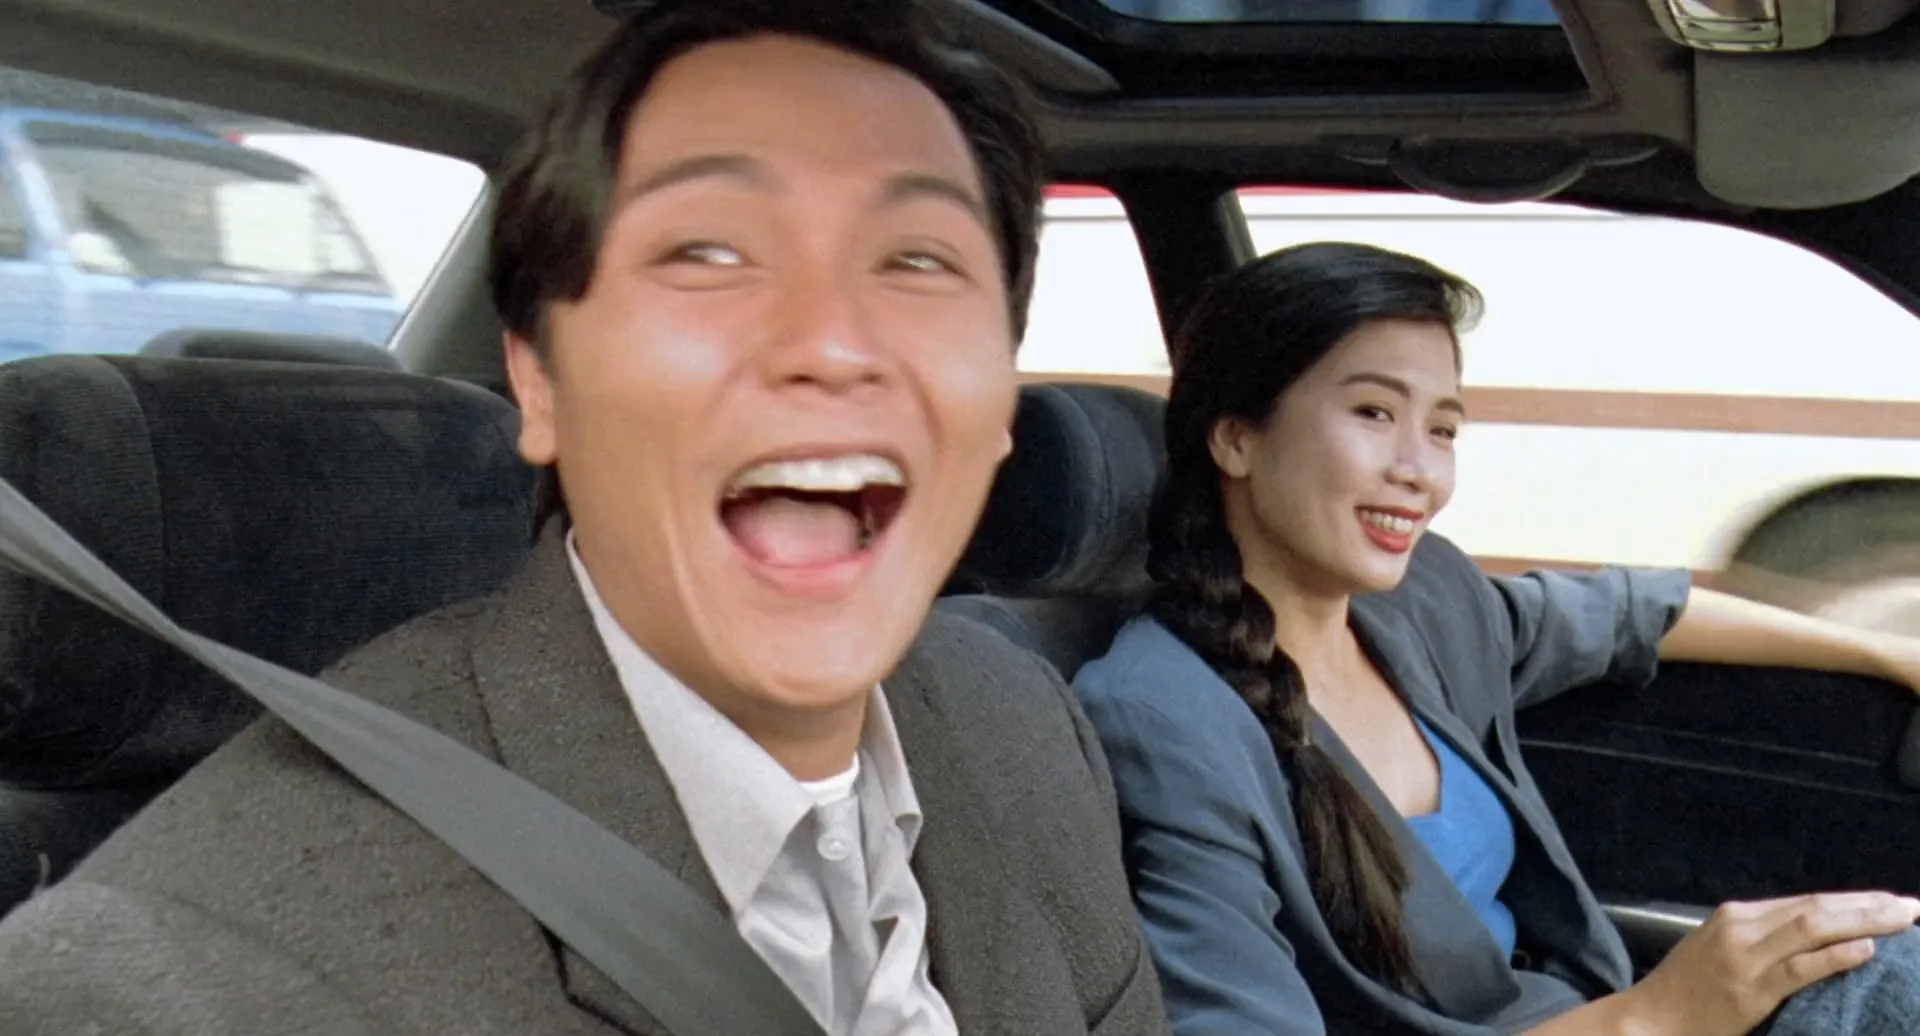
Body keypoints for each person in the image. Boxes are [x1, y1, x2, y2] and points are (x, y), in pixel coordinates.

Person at [0, 2, 1167, 1033]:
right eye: (709, 250)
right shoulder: (175, 983)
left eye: (916, 260)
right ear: (542, 380)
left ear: (998, 400)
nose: (832, 342)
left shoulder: (1022, 727)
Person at [1073, 241, 1920, 1036]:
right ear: (1236, 437)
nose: (1420, 471)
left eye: (1442, 429)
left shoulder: (1422, 602)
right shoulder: (1160, 717)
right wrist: (1653, 1015)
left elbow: (1631, 613)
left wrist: (1885, 653)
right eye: (1374, 412)